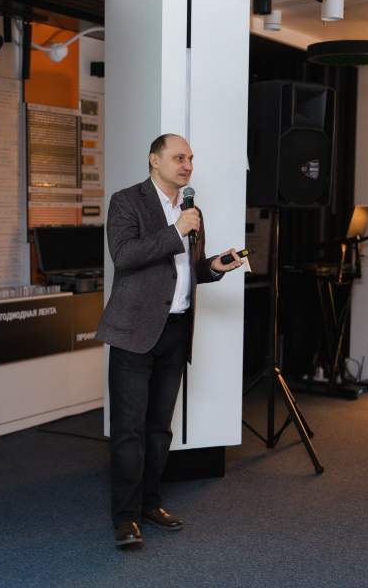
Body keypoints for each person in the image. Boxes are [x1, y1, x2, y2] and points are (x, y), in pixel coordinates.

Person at [96, 133, 243, 550]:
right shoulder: (127, 202)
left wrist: (214, 267)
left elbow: (188, 269)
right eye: (179, 157)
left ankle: (149, 503)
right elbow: (124, 257)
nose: (187, 165)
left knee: (159, 429)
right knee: (129, 430)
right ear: (154, 160)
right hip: (134, 332)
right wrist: (176, 229)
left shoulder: (192, 210)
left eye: (191, 158)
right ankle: (125, 518)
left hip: (176, 331)